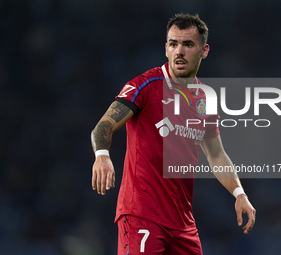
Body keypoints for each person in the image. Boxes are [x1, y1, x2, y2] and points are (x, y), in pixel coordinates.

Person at [91, 13, 256, 255]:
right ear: (166, 48)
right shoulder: (145, 86)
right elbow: (103, 125)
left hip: (182, 225)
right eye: (173, 44)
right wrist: (102, 154)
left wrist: (239, 193)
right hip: (142, 216)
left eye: (188, 44)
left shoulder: (205, 99)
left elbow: (216, 154)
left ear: (204, 50)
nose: (179, 51)